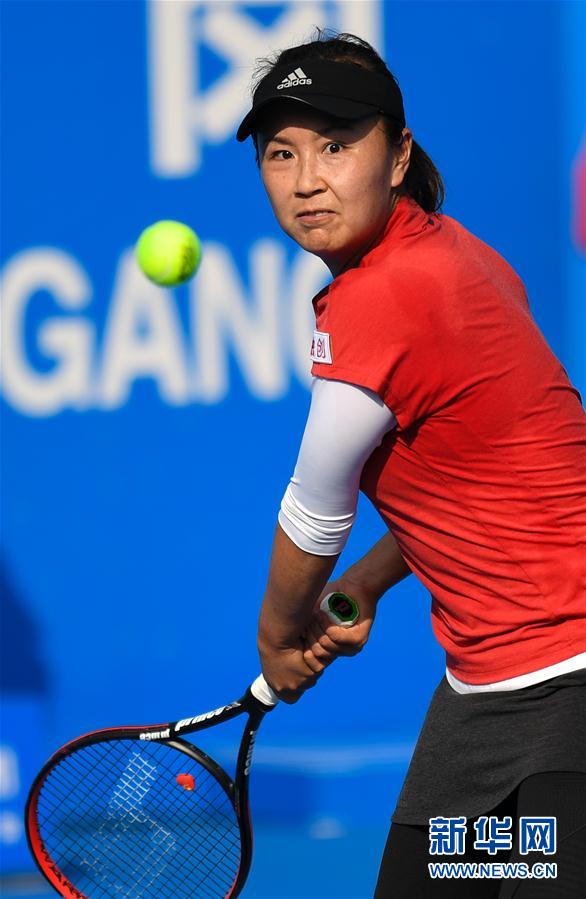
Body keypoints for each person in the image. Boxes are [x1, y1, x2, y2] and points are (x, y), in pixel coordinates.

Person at [236, 30, 586, 898]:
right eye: (281, 152)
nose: (306, 179)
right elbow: (486, 466)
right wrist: (367, 582)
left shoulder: (388, 292)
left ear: (398, 156)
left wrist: (279, 641)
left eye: (336, 145)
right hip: (485, 699)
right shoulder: (453, 252)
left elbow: (315, 506)